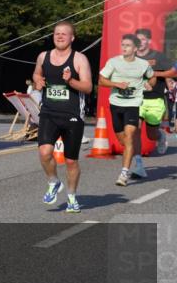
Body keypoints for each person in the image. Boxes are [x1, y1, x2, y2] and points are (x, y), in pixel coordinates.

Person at [31, 21, 93, 212]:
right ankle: (53, 181)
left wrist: (71, 80)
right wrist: (37, 81)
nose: (59, 37)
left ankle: (72, 197)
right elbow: (36, 74)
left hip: (73, 115)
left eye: (64, 34)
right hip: (49, 112)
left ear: (72, 38)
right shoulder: (44, 56)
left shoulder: (79, 59)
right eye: (57, 33)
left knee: (71, 160)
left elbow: (88, 87)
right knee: (44, 152)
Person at [99, 34, 155, 187]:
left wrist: (149, 84)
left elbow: (152, 77)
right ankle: (138, 161)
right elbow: (101, 80)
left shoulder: (143, 64)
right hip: (116, 104)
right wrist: (116, 84)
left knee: (130, 135)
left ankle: (124, 174)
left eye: (128, 45)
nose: (124, 47)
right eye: (123, 44)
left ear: (135, 48)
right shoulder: (114, 62)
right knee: (123, 140)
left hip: (133, 104)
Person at [133, 28, 172, 172]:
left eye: (143, 39)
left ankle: (160, 135)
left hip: (154, 99)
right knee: (134, 130)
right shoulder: (131, 57)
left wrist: (154, 72)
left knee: (151, 135)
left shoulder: (158, 57)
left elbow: (173, 71)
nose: (140, 42)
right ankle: (138, 164)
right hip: (136, 99)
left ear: (149, 41)